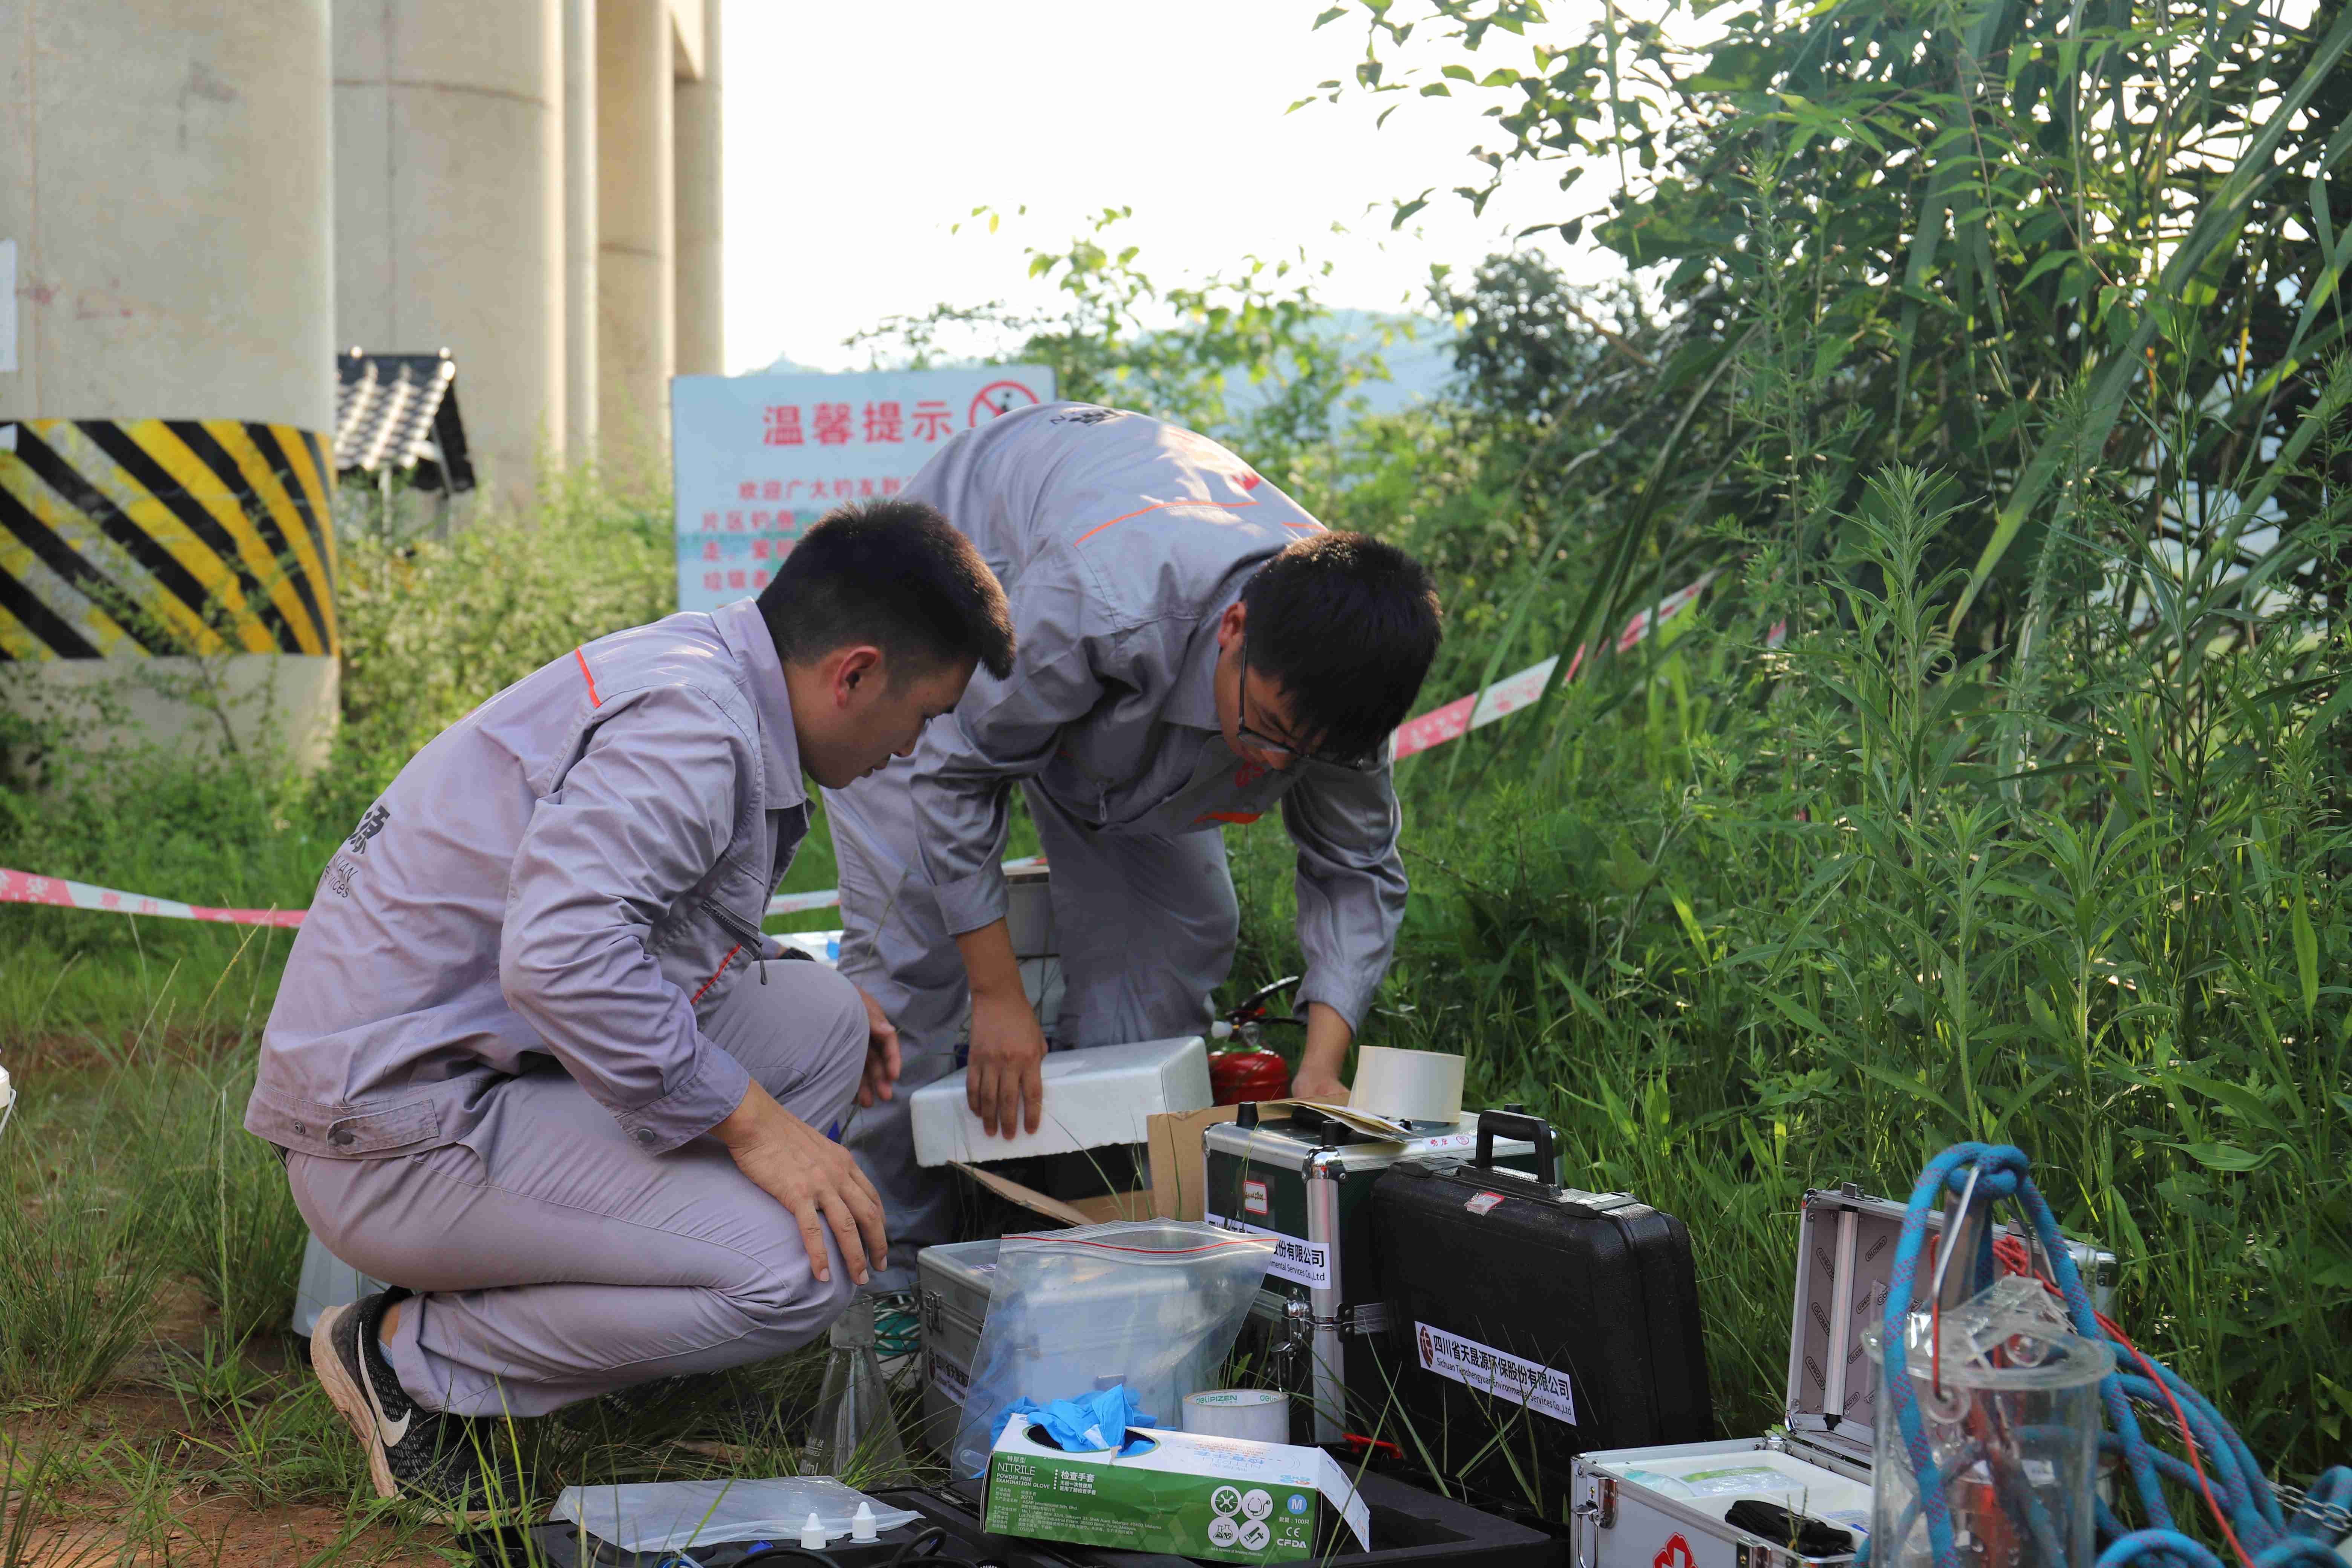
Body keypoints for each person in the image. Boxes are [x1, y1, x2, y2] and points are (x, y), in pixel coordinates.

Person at [245, 501, 1014, 1511]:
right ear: (856, 673)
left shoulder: (712, 671)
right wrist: (754, 1126)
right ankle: (410, 1358)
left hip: (464, 1067)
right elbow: (561, 955)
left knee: (823, 1021)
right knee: (805, 1270)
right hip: (394, 1139)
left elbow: (623, 918)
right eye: (924, 716)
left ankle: (623, 1296)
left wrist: (765, 990)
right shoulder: (694, 728)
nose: (912, 750)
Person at [827, 403, 1443, 1288]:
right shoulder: (1107, 601)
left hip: (1107, 697)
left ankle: (1103, 1239)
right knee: (917, 955)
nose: (1276, 764)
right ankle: (885, 1275)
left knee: (1172, 943)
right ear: (1235, 627)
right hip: (951, 604)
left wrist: (1320, 1068)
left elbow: (1355, 869)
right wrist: (998, 996)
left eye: (1306, 753)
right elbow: (957, 773)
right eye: (1268, 729)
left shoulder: (1340, 698)